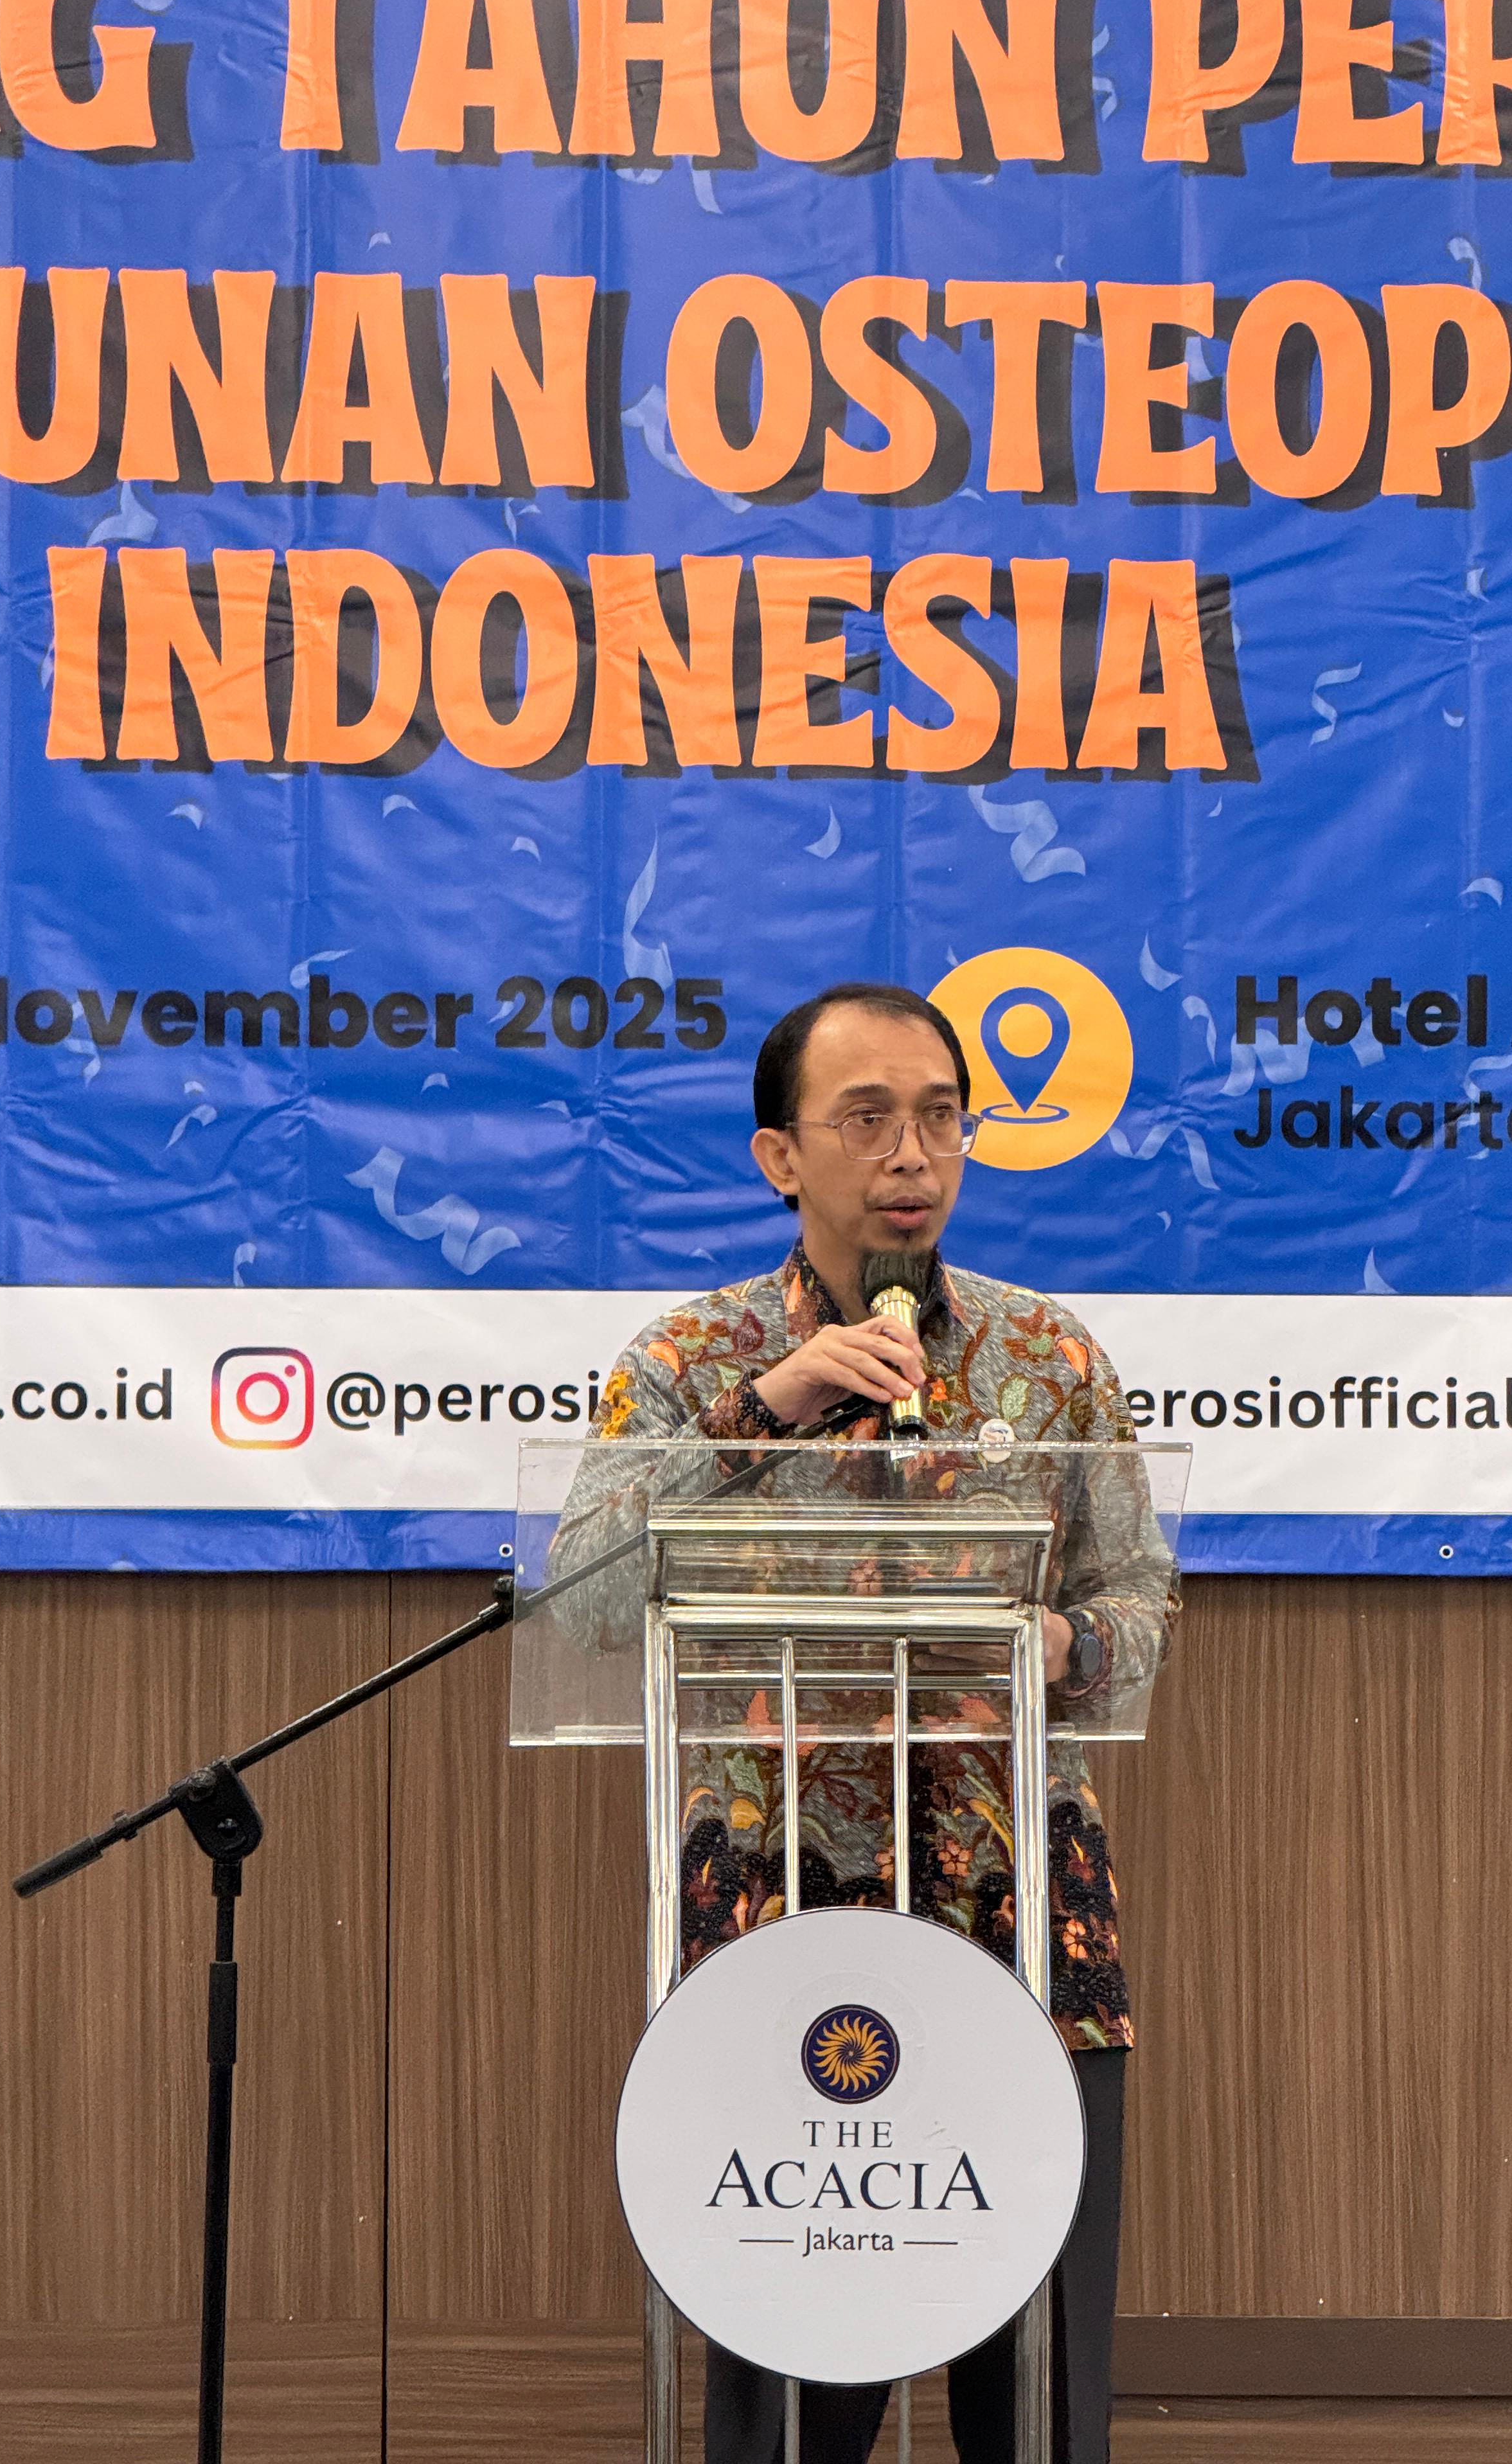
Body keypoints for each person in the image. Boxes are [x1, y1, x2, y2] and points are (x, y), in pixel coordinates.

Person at [582, 980, 1180, 2464]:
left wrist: (1064, 1641)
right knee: (800, 2375)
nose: (913, 1155)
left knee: (1039, 2391)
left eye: (940, 1118)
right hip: (782, 1913)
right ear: (781, 1156)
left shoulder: (1049, 1358)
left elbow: (1142, 1603)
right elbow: (582, 1593)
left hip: (1022, 1913)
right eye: (867, 1120)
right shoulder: (687, 1363)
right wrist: (766, 1409)